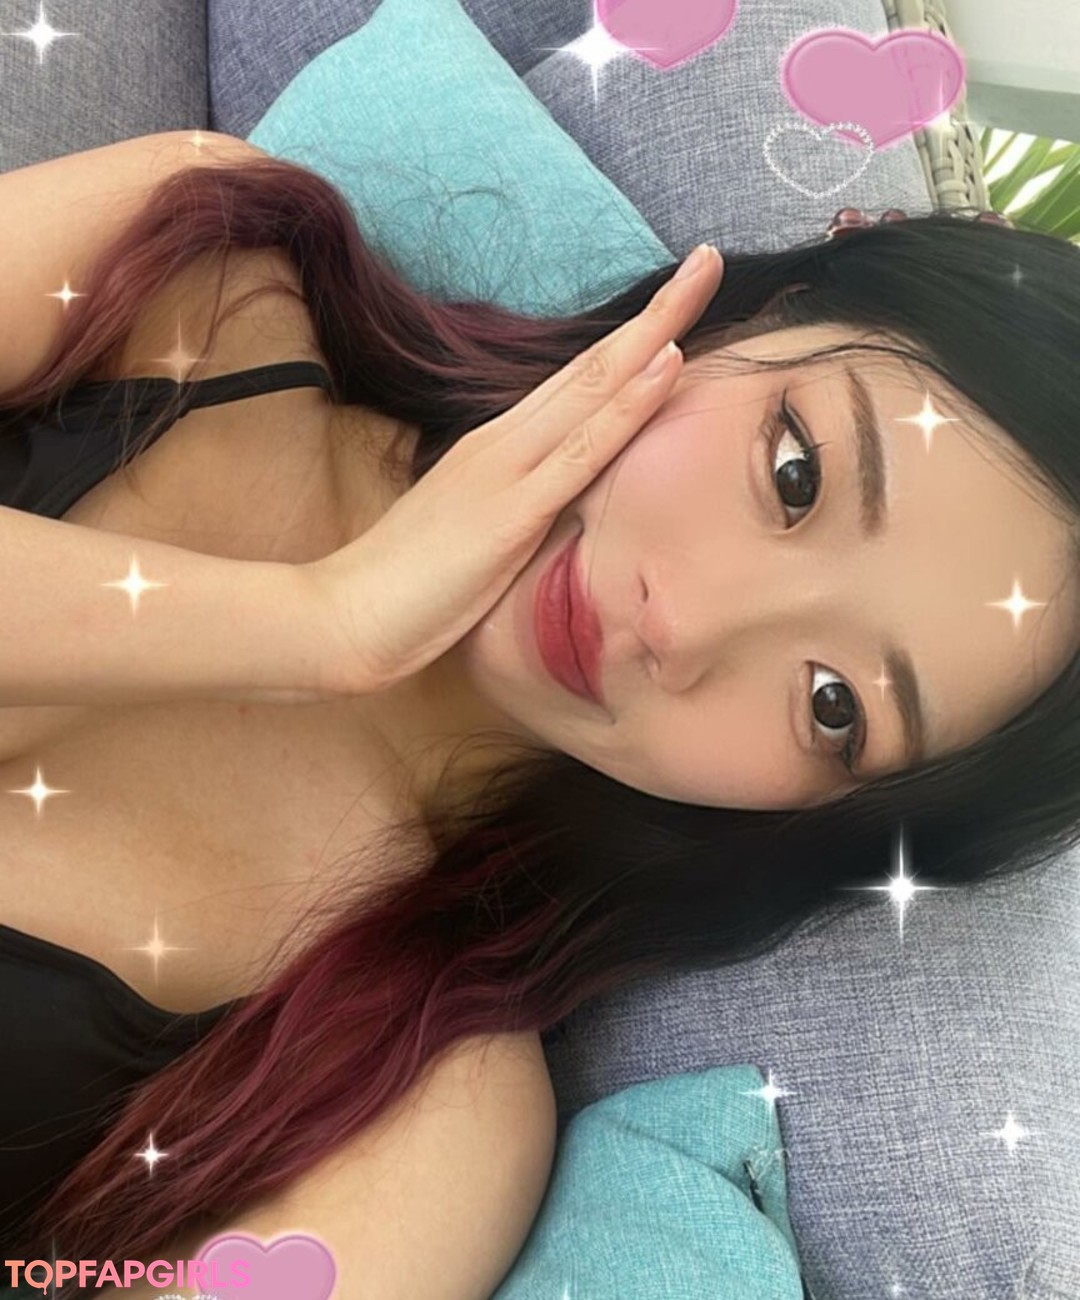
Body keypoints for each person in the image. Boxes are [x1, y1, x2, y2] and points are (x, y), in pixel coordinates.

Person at [1, 142, 1077, 1291]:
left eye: (834, 704)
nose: (684, 626)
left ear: (823, 818)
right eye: (795, 474)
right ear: (767, 313)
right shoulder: (200, 264)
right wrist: (308, 622)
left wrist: (335, 633)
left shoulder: (421, 1117)